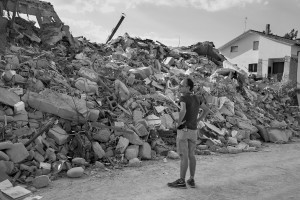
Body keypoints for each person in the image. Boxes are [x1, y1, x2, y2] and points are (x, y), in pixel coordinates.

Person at [167, 78, 209, 189]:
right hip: (193, 130)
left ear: (188, 87)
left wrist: (179, 123)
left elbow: (183, 110)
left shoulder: (183, 97)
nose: (180, 87)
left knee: (183, 155)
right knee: (191, 155)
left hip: (184, 129)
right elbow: (206, 110)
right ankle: (191, 179)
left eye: (182, 85)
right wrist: (198, 120)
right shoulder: (197, 98)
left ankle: (181, 181)